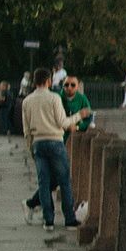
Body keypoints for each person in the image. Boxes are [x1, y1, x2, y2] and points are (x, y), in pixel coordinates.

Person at [21, 71, 79, 228]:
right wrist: (79, 116)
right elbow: (62, 122)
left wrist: (31, 149)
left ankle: (48, 220)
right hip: (55, 142)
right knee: (64, 181)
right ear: (48, 81)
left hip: (38, 143)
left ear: (34, 81)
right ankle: (69, 219)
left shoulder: (27, 101)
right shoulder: (54, 98)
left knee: (44, 182)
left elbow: (26, 131)